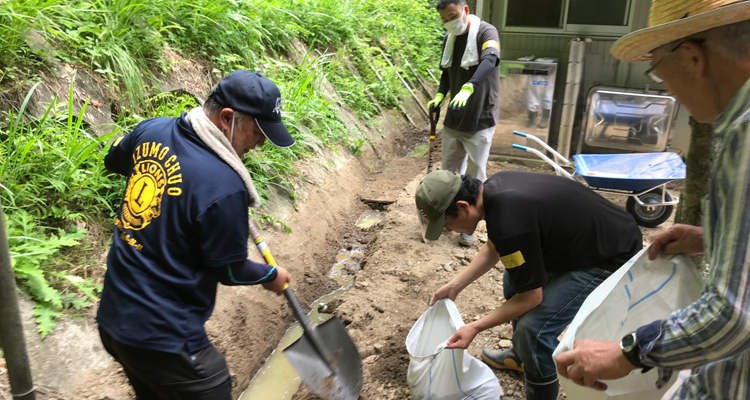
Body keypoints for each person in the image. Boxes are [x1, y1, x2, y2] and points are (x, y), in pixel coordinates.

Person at [555, 1, 750, 398]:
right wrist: (713, 237)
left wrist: (628, 351)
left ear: (693, 58)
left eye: (658, 71)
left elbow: (735, 315)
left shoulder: (745, 138)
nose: (669, 92)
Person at [96, 70, 294, 400]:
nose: (261, 142)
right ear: (227, 118)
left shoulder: (152, 130)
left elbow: (113, 159)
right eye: (258, 131)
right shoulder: (225, 188)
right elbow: (230, 270)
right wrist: (271, 274)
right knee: (213, 386)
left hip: (114, 321)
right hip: (163, 336)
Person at [418, 169, 642, 400]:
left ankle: (536, 374)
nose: (448, 230)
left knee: (533, 330)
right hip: (587, 240)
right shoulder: (495, 188)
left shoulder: (508, 219)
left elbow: (531, 298)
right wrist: (455, 285)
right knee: (513, 280)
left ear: (464, 206)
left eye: (446, 223)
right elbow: (495, 246)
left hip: (612, 256)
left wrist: (474, 327)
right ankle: (522, 357)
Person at [426, 0, 501, 247]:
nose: (449, 22)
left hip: (480, 116)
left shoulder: (485, 32)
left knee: (476, 174)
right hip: (455, 116)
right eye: (444, 19)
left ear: (465, 10)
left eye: (452, 15)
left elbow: (489, 61)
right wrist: (440, 95)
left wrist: (470, 86)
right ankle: (450, 216)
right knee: (449, 171)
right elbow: (446, 73)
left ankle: (470, 226)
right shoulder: (450, 38)